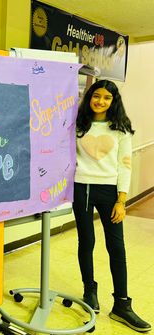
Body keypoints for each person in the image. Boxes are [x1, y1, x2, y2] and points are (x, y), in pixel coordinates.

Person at [73, 79, 151, 332]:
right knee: (86, 242)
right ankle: (90, 292)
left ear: (113, 100)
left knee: (116, 247)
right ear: (90, 97)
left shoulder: (120, 128)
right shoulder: (77, 124)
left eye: (107, 97)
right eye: (97, 96)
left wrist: (121, 201)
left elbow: (124, 165)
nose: (101, 101)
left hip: (110, 192)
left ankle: (121, 304)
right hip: (81, 188)